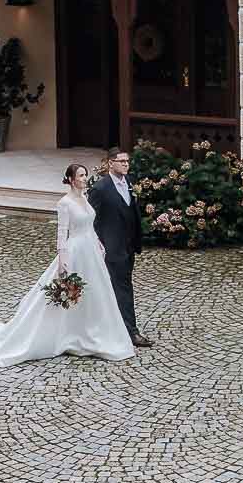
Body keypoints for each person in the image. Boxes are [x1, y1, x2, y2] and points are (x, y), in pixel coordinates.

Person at [0, 164, 134, 367]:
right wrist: (63, 261)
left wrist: (98, 243)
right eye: (80, 175)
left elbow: (89, 226)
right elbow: (62, 234)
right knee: (70, 292)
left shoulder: (84, 198)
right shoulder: (65, 203)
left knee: (97, 292)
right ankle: (64, 333)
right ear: (71, 179)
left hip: (91, 251)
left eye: (85, 175)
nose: (84, 178)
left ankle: (91, 332)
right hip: (76, 251)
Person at [87, 147, 154, 348]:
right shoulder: (100, 189)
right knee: (122, 288)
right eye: (121, 161)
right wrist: (100, 244)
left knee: (120, 287)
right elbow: (90, 219)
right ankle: (131, 332)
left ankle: (114, 328)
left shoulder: (129, 182)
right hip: (112, 248)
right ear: (110, 163)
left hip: (128, 246)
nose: (126, 164)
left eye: (127, 161)